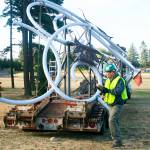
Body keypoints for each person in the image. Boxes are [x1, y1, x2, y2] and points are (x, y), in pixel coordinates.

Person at [97, 63, 128, 148]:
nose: (106, 74)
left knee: (111, 120)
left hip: (118, 103)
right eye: (106, 72)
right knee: (115, 121)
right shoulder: (107, 80)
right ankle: (118, 139)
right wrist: (102, 90)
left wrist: (106, 90)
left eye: (108, 72)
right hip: (110, 103)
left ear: (113, 72)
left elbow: (117, 91)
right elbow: (107, 90)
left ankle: (117, 141)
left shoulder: (120, 80)